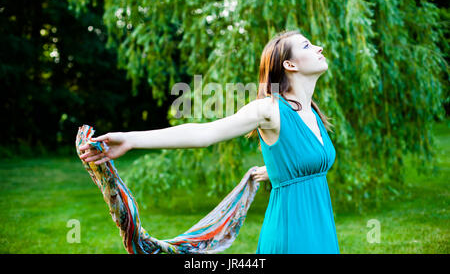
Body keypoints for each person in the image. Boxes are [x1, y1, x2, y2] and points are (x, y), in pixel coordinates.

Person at [79, 29, 339, 254]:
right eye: (307, 45)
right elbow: (204, 134)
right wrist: (130, 139)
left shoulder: (312, 112)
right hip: (291, 234)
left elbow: (300, 162)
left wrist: (273, 171)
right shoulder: (269, 109)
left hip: (322, 228)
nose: (319, 47)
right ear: (290, 65)